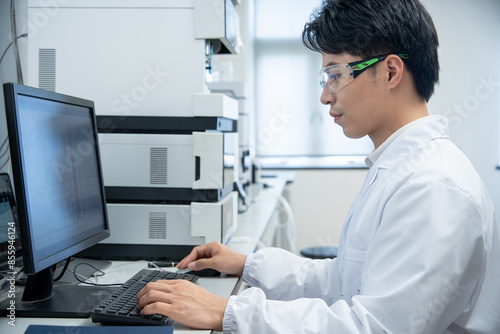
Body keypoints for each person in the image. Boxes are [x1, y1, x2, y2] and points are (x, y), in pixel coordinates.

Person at [136, 0, 500, 332]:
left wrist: (226, 311)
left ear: (390, 72)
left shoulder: (434, 186)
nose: (326, 95)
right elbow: (342, 280)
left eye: (335, 75)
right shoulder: (399, 167)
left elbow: (374, 327)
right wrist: (249, 264)